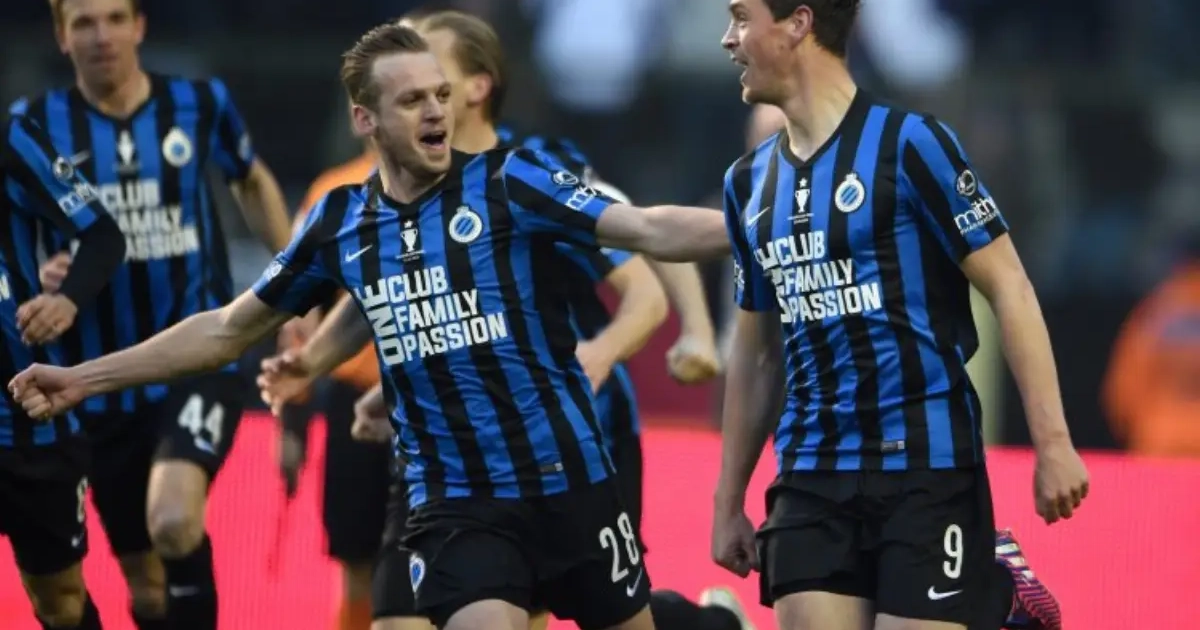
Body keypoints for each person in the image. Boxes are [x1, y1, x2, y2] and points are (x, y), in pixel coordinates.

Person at [7, 21, 730, 630]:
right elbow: (226, 330)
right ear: (366, 119)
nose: (434, 112)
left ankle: (712, 624)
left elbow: (649, 228)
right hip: (457, 504)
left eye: (440, 94)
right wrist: (83, 378)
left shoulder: (512, 181)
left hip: (570, 483)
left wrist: (755, 223)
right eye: (412, 100)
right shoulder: (339, 223)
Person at [258, 11, 743, 630]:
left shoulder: (532, 170)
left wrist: (680, 333)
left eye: (434, 71)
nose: (419, 83)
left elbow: (646, 241)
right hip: (446, 465)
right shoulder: (383, 197)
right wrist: (329, 365)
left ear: (475, 86)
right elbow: (389, 290)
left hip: (565, 442)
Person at [712, 3, 1087, 630]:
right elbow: (756, 353)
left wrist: (1053, 445)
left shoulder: (913, 144)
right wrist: (728, 501)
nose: (728, 39)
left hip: (924, 466)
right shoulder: (746, 183)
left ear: (798, 24)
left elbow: (1011, 288)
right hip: (809, 473)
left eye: (741, 17)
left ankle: (998, 597)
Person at [10, 1, 292, 629]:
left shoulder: (199, 102)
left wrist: (296, 286)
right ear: (61, 35)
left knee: (173, 516)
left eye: (115, 18)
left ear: (139, 26)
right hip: (95, 380)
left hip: (198, 358)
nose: (101, 35)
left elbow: (250, 180)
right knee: (148, 589)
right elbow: (18, 232)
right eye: (84, 22)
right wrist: (46, 274)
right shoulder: (34, 124)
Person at [0, 114, 126, 629]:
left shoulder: (12, 139)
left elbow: (103, 235)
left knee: (61, 603)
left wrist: (68, 299)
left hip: (31, 426)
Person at [273, 138, 386, 630]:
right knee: (357, 561)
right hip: (355, 403)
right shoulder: (333, 192)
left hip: (438, 402)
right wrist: (293, 423)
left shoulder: (459, 186)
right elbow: (298, 313)